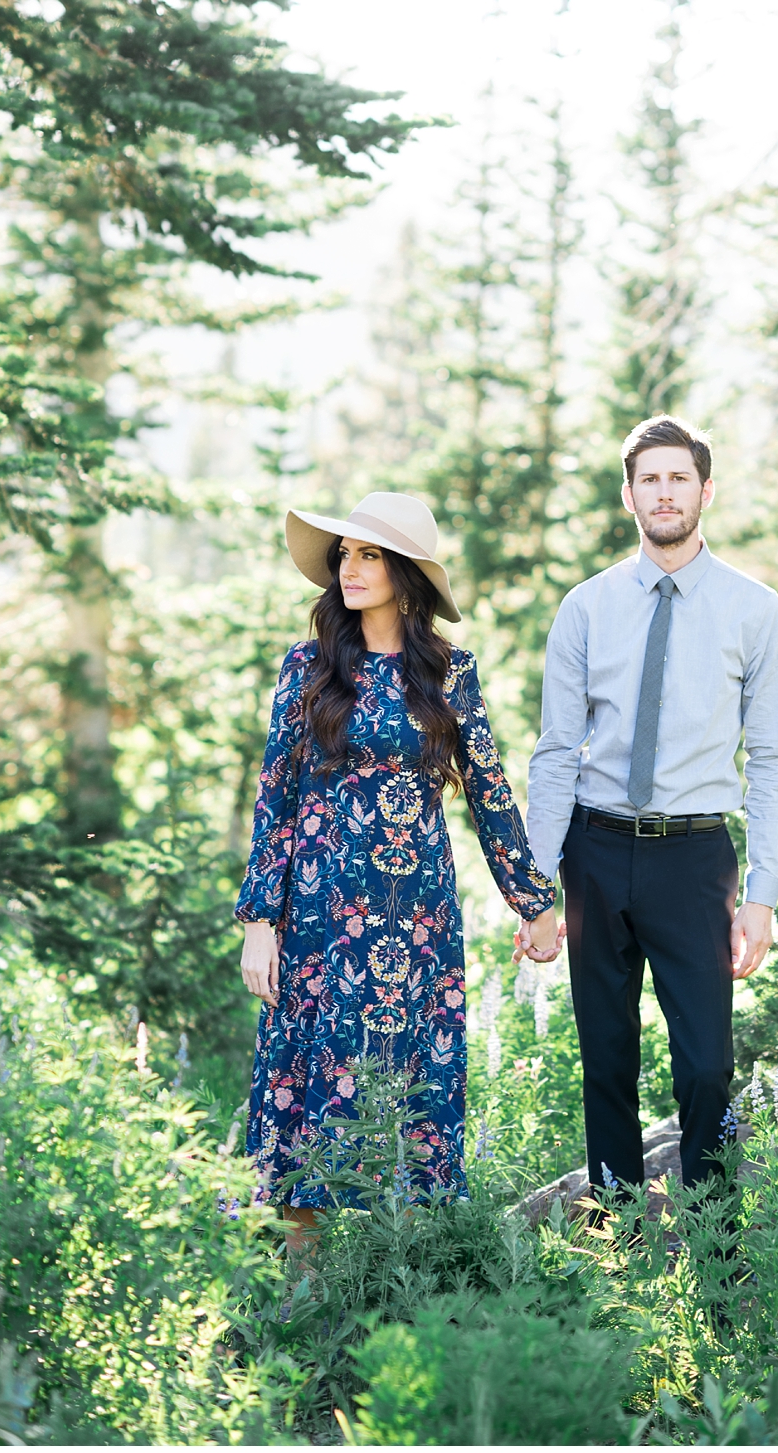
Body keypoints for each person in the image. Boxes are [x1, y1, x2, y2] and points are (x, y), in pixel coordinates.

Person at [235, 492, 561, 1253]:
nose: (349, 567)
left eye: (369, 554)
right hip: (316, 915)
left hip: (414, 923)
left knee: (409, 1090)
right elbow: (274, 794)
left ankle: (398, 1289)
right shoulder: (308, 667)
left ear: (407, 574)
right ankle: (305, 1296)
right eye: (344, 554)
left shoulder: (450, 673)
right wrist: (260, 919)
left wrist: (533, 902)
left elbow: (489, 790)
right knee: (304, 1089)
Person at [525, 415, 778, 1197]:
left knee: (708, 1065)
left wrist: (761, 894)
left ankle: (716, 1264)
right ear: (629, 494)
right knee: (606, 1061)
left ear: (705, 490)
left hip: (694, 857)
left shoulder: (755, 610)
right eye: (650, 478)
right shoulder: (586, 607)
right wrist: (535, 885)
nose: (665, 491)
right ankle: (615, 1255)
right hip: (597, 851)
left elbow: (776, 759)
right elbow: (554, 752)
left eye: (679, 477)